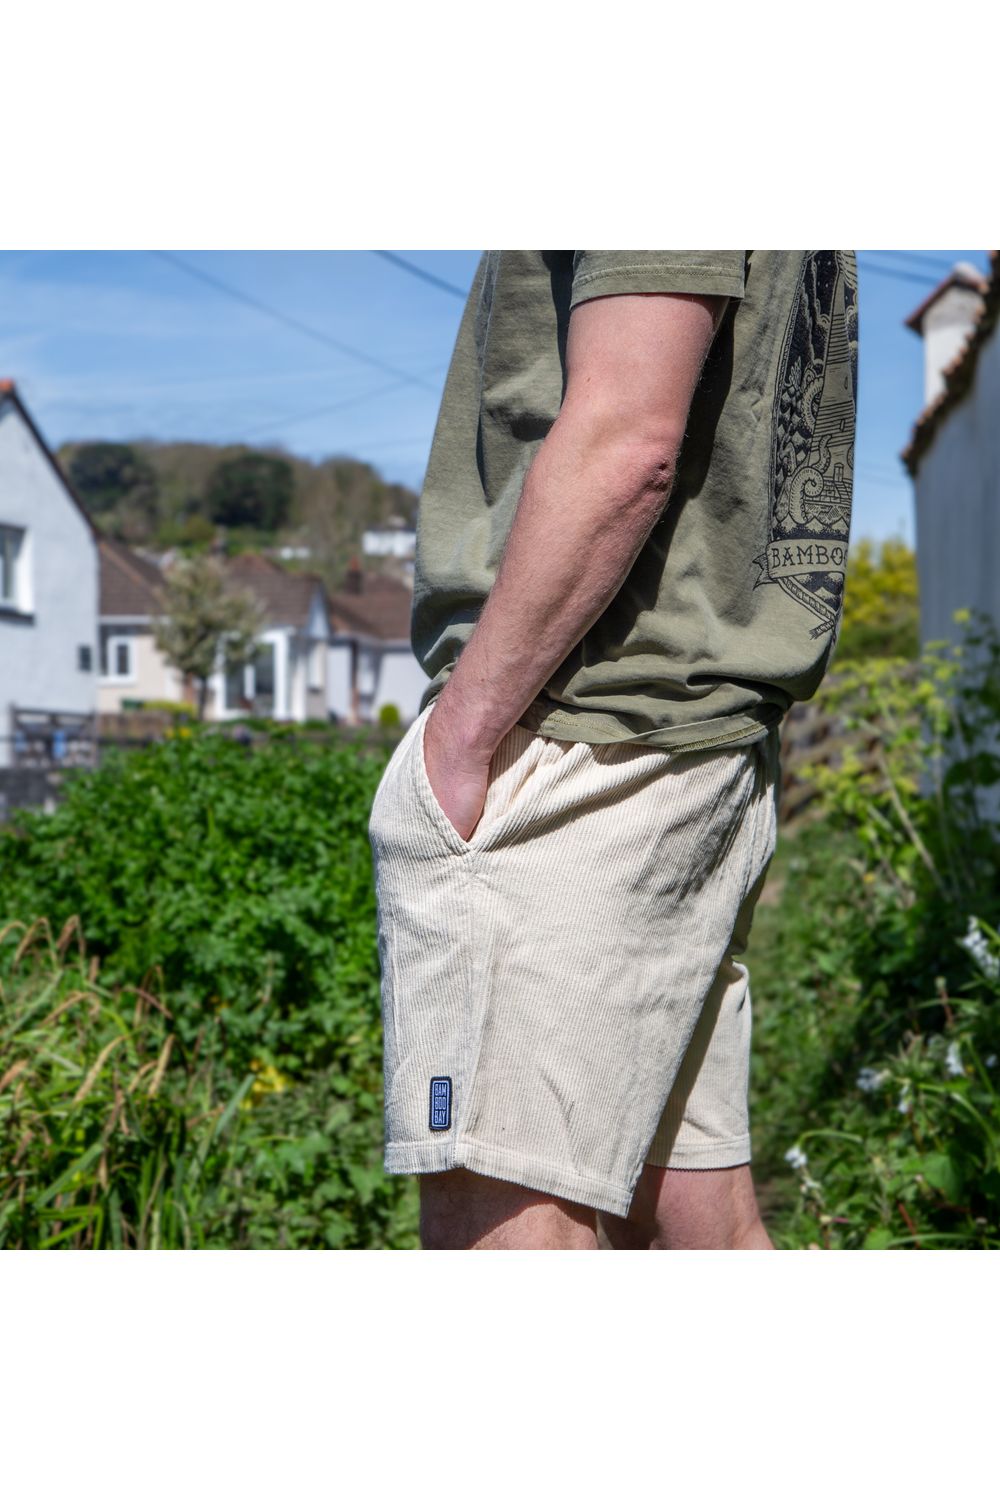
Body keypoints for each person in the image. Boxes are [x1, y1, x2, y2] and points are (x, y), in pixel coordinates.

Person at [368, 251, 858, 1250]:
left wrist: (464, 733)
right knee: (693, 1216)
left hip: (577, 741)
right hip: (690, 735)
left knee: (502, 1217)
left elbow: (627, 440)